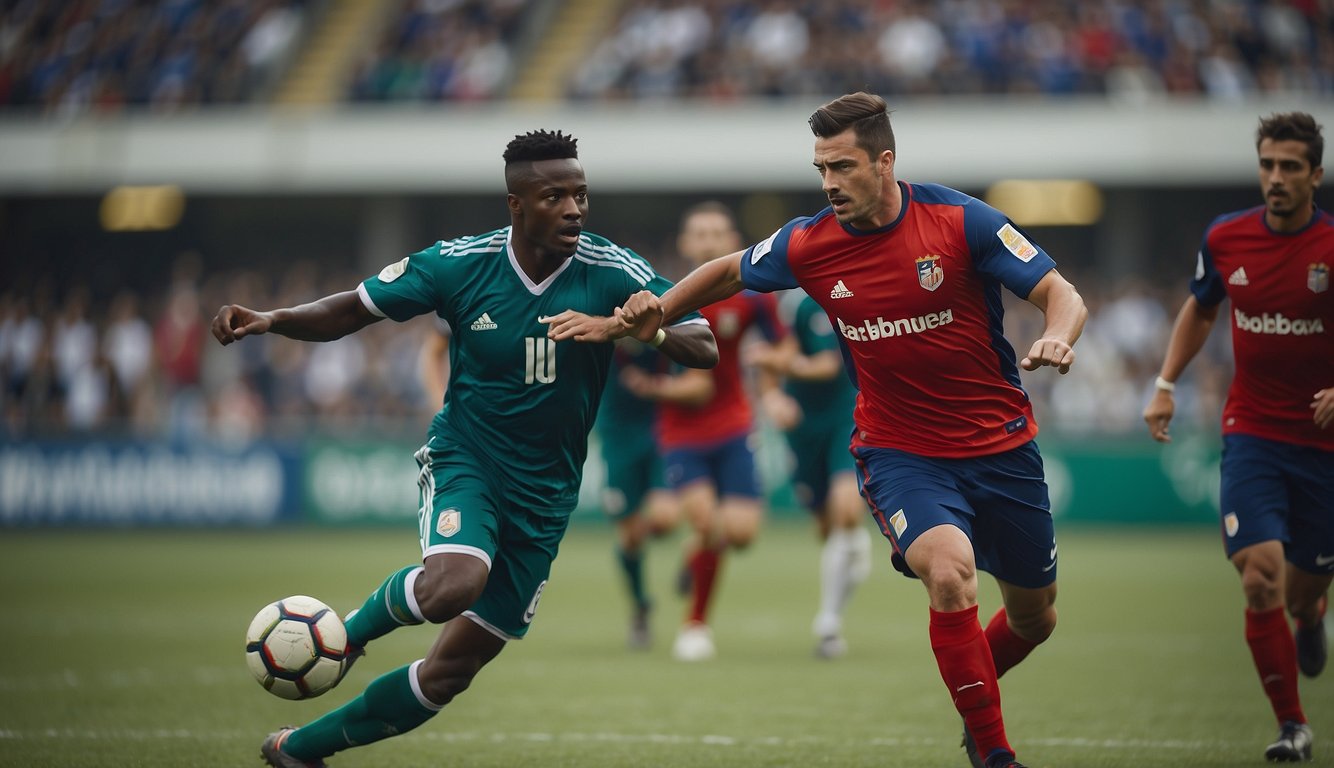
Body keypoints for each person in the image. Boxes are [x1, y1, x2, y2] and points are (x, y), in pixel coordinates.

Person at [558, 92, 1087, 768]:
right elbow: (726, 273)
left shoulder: (962, 222)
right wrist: (651, 314)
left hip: (1002, 445)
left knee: (1035, 618)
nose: (830, 183)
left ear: (885, 162)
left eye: (843, 166)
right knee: (951, 575)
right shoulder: (810, 243)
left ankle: (975, 696)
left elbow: (1060, 293)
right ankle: (993, 752)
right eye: (821, 169)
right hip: (900, 452)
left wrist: (1060, 337)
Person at [211, 129, 718, 768]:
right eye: (555, 195)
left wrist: (652, 329)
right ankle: (344, 640)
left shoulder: (612, 270)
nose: (574, 209)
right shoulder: (460, 263)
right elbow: (354, 309)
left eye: (581, 195)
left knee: (449, 674)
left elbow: (705, 347)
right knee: (455, 581)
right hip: (467, 458)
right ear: (516, 205)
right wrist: (272, 319)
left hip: (547, 496)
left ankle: (301, 750)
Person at [1143, 111, 1333, 764]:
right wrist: (1166, 381)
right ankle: (1292, 726)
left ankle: (1311, 618)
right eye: (1267, 165)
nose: (1275, 178)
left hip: (1325, 447)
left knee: (1303, 592)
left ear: (1315, 174)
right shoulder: (1226, 238)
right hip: (1251, 431)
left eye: (1289, 167)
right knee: (1260, 577)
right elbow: (1201, 306)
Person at [616, 201, 787, 662]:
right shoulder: (663, 297)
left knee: (744, 534)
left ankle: (695, 554)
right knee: (709, 525)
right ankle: (695, 625)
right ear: (685, 244)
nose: (709, 240)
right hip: (682, 433)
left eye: (718, 233)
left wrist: (771, 385)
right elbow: (638, 354)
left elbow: (780, 348)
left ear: (732, 242)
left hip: (734, 424)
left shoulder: (755, 297)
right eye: (700, 233)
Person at [749, 288, 873, 659]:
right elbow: (768, 353)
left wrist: (783, 364)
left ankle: (828, 623)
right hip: (802, 426)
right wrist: (771, 397)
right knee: (825, 526)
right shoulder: (790, 302)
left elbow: (828, 365)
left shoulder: (850, 290)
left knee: (846, 511)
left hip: (846, 416)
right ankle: (855, 546)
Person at [595, 336, 680, 649]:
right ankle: (641, 605)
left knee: (666, 518)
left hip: (660, 431)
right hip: (617, 438)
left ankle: (692, 553)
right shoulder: (601, 331)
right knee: (629, 537)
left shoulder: (664, 329)